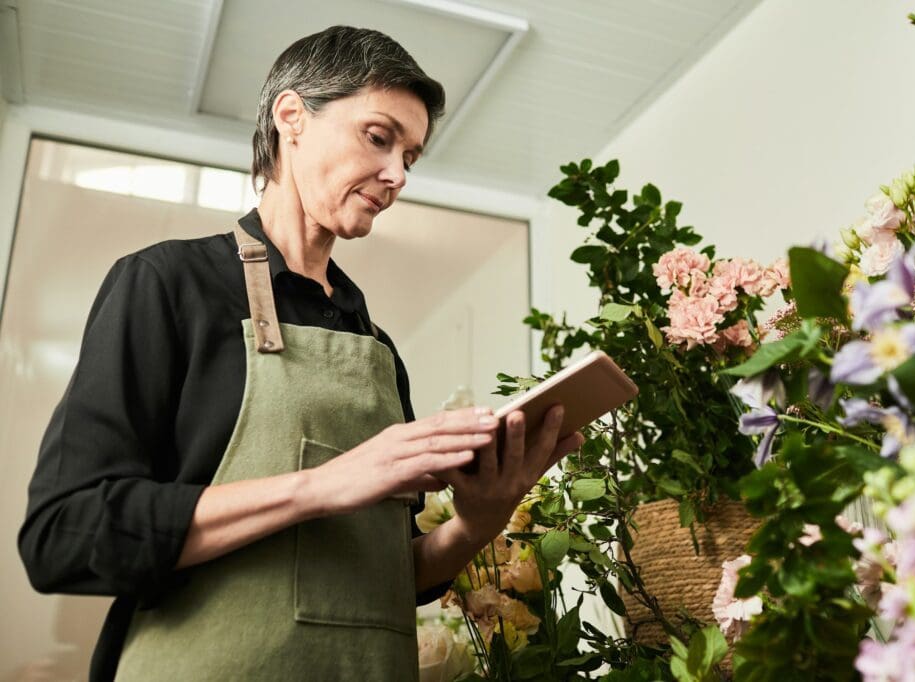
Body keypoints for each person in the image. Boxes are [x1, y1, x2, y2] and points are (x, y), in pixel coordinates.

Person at [18, 25, 583, 681]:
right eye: (379, 137)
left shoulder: (376, 347)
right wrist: (323, 485)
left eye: (412, 156)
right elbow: (64, 534)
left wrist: (475, 523)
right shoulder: (167, 285)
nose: (397, 175)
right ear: (292, 117)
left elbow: (383, 578)